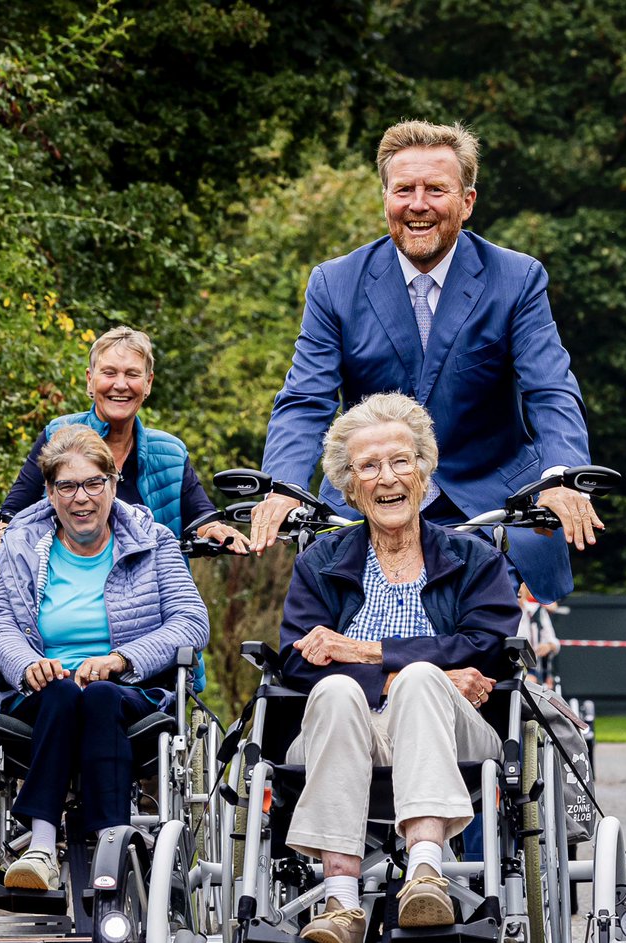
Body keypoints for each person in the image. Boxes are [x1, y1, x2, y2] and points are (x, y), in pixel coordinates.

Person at [250, 119, 602, 604]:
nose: (418, 205)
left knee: (487, 653)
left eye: (436, 189)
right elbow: (306, 398)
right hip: (370, 501)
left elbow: (550, 388)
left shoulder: (517, 279)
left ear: (467, 201)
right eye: (404, 190)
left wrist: (561, 478)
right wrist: (286, 486)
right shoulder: (335, 283)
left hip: (485, 506)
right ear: (386, 199)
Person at [277, 392, 520, 943]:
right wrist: (398, 672)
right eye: (369, 466)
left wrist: (366, 652)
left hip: (452, 734)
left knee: (415, 683)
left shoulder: (473, 558)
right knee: (335, 692)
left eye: (401, 461)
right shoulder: (321, 562)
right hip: (345, 732)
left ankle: (426, 876)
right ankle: (340, 905)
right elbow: (297, 661)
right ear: (349, 487)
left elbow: (487, 643)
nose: (388, 478)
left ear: (425, 472)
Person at [0, 425, 210, 891]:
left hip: (129, 693)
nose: (80, 498)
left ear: (112, 481)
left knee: (101, 694)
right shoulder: (23, 544)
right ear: (49, 492)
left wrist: (122, 659)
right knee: (64, 691)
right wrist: (27, 663)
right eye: (66, 486)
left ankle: (110, 841)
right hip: (43, 694)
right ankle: (42, 846)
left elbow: (191, 621)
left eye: (92, 484)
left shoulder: (153, 540)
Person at [0, 325, 247, 556]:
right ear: (90, 380)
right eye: (109, 373)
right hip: (67, 587)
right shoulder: (58, 434)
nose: (120, 384)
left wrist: (215, 529)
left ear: (148, 383)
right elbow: (12, 514)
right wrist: (1, 533)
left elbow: (200, 516)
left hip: (152, 597)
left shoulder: (170, 452)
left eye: (132, 374)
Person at [517, 581, 560, 688]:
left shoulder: (536, 611)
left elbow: (555, 642)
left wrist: (548, 646)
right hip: (503, 667)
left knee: (529, 682)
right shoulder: (500, 612)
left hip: (530, 667)